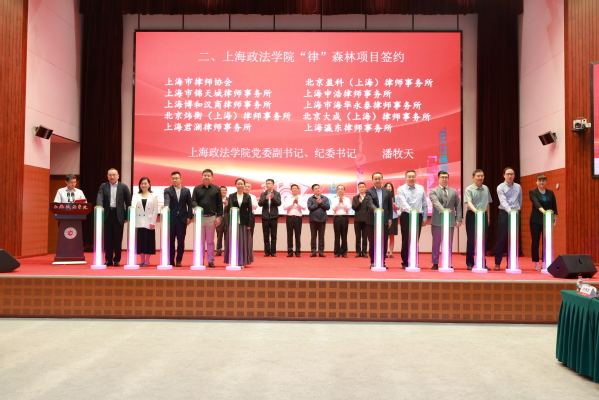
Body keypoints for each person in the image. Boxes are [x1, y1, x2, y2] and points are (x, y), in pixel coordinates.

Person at [96, 168, 131, 267]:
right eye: (110, 175)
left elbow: (128, 202)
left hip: (118, 215)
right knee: (107, 239)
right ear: (107, 176)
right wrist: (99, 206)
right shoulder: (103, 186)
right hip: (107, 215)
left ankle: (117, 260)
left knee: (117, 239)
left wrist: (127, 216)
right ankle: (108, 260)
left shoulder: (123, 187)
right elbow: (99, 197)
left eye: (114, 175)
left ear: (118, 176)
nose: (112, 177)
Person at [429, 171, 462, 270]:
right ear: (438, 179)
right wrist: (444, 211)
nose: (444, 179)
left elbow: (458, 205)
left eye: (446, 177)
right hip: (437, 221)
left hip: (450, 221)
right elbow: (436, 203)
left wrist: (458, 218)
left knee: (448, 243)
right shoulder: (433, 191)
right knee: (436, 243)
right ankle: (435, 263)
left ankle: (447, 262)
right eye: (442, 177)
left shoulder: (454, 191)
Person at [191, 169, 223, 268]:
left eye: (208, 175)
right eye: (205, 175)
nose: (206, 177)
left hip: (211, 218)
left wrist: (219, 217)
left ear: (212, 177)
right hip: (200, 218)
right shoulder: (197, 189)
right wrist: (196, 207)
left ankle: (210, 261)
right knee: (200, 241)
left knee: (210, 241)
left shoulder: (216, 189)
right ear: (202, 177)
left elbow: (219, 204)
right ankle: (200, 260)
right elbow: (193, 201)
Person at [397, 170, 428, 268]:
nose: (411, 178)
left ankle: (414, 260)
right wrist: (412, 211)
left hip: (418, 216)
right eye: (409, 177)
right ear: (405, 178)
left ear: (415, 177)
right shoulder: (401, 189)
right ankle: (405, 261)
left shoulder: (420, 188)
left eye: (413, 177)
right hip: (406, 216)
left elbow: (424, 203)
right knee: (406, 239)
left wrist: (425, 216)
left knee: (416, 239)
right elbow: (403, 202)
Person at [464, 169, 493, 270]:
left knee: (483, 240)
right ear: (473, 177)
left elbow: (488, 203)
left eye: (482, 176)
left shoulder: (486, 188)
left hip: (483, 215)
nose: (480, 178)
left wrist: (488, 217)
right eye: (478, 176)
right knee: (471, 240)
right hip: (472, 215)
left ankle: (482, 263)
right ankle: (470, 263)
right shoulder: (469, 189)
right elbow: (469, 202)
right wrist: (476, 211)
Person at [494, 167, 522, 271]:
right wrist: (510, 211)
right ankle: (497, 263)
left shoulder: (518, 186)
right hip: (505, 214)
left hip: (515, 213)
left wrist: (517, 210)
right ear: (504, 175)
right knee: (501, 239)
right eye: (508, 174)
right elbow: (503, 201)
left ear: (514, 175)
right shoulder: (500, 187)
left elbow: (520, 200)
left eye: (512, 174)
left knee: (513, 239)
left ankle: (511, 263)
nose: (510, 176)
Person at [163, 171, 193, 267]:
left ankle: (179, 260)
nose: (174, 180)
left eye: (176, 178)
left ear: (181, 179)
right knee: (170, 241)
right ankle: (171, 260)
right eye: (173, 178)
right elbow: (167, 200)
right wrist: (166, 207)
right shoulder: (167, 190)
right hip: (171, 219)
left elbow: (190, 205)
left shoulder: (186, 190)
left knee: (181, 241)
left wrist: (189, 217)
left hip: (182, 219)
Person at [529, 173, 558, 271]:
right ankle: (536, 262)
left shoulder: (550, 193)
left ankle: (545, 262)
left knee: (546, 242)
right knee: (535, 241)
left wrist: (554, 220)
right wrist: (545, 212)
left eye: (543, 180)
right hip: (535, 220)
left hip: (548, 221)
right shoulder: (532, 192)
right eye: (539, 180)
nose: (541, 182)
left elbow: (554, 207)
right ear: (536, 182)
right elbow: (536, 204)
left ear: (546, 182)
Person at [364, 173, 393, 268]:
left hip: (384, 220)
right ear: (372, 180)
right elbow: (369, 203)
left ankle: (382, 262)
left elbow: (389, 206)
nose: (377, 180)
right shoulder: (369, 191)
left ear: (382, 179)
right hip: (372, 221)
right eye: (375, 179)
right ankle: (373, 261)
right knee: (373, 242)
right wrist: (376, 210)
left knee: (384, 242)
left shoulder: (387, 191)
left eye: (379, 178)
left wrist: (390, 218)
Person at [224, 178, 254, 268]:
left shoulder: (247, 196)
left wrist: (249, 224)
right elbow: (230, 207)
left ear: (244, 185)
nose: (240, 185)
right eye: (238, 184)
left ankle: (242, 261)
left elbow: (249, 211)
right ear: (235, 185)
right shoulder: (231, 196)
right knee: (233, 241)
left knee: (243, 242)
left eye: (241, 184)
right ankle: (233, 260)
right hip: (233, 222)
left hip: (244, 222)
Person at [132, 177, 158, 266]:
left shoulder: (153, 196)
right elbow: (133, 206)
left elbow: (155, 210)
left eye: (145, 183)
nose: (143, 185)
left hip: (149, 221)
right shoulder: (136, 195)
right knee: (140, 242)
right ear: (139, 185)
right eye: (142, 183)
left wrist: (153, 222)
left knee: (149, 242)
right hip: (138, 222)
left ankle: (147, 260)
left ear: (149, 185)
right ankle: (142, 259)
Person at [258, 179, 282, 257]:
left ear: (273, 184)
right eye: (266, 183)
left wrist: (272, 198)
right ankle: (267, 251)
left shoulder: (277, 193)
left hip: (274, 217)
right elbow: (260, 204)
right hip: (265, 217)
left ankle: (273, 252)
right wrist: (266, 199)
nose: (267, 185)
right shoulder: (263, 194)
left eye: (269, 183)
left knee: (273, 235)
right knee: (266, 235)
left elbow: (279, 203)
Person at [307, 184, 330, 257]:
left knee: (321, 237)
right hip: (313, 220)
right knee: (313, 237)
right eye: (316, 188)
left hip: (322, 220)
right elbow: (310, 208)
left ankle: (321, 252)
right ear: (313, 190)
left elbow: (328, 207)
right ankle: (313, 252)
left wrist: (321, 203)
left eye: (318, 188)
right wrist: (317, 203)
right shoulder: (310, 199)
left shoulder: (325, 198)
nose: (317, 190)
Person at [283, 184, 306, 257]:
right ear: (291, 190)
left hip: (298, 218)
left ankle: (298, 252)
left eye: (296, 188)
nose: (294, 189)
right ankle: (290, 252)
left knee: (297, 236)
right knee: (289, 235)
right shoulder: (287, 198)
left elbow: (304, 207)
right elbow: (285, 208)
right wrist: (292, 203)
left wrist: (297, 203)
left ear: (298, 189)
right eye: (293, 188)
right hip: (289, 218)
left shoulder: (301, 198)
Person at [331, 184, 351, 258]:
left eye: (342, 189)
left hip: (344, 218)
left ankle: (344, 252)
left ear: (344, 190)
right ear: (337, 190)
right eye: (339, 189)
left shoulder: (347, 199)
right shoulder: (334, 199)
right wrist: (339, 202)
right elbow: (333, 208)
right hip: (336, 218)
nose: (340, 190)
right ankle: (337, 252)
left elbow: (348, 208)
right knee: (337, 236)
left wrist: (343, 202)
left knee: (344, 236)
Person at [352, 182, 369, 258]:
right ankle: (358, 252)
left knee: (365, 237)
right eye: (360, 187)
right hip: (357, 220)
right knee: (358, 237)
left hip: (366, 220)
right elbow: (354, 207)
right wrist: (359, 202)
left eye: (363, 187)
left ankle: (364, 252)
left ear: (365, 188)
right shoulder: (355, 197)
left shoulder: (368, 197)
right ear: (358, 188)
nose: (362, 188)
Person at [384, 182, 400, 258]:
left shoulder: (396, 197)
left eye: (390, 186)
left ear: (392, 188)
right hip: (385, 217)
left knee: (392, 236)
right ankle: (385, 252)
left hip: (393, 217)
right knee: (385, 236)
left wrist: (393, 204)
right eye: (387, 186)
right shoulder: (383, 197)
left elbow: (398, 208)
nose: (389, 188)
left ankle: (391, 253)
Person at [215, 186, 229, 256]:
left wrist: (227, 204)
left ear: (226, 191)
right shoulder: (216, 200)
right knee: (219, 236)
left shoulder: (229, 199)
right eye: (221, 190)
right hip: (219, 220)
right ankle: (218, 250)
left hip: (227, 221)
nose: (223, 192)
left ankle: (227, 251)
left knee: (227, 237)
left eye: (224, 190)